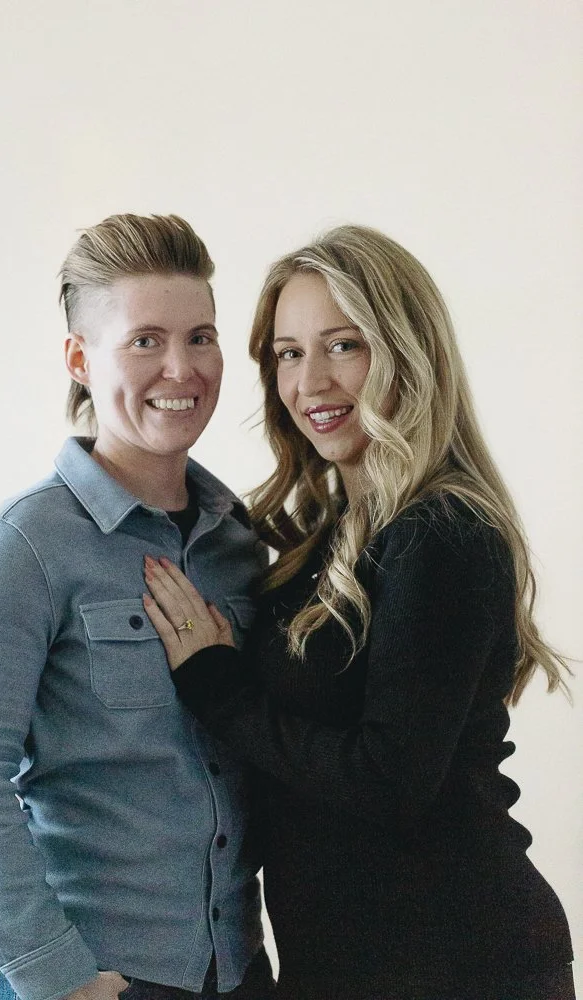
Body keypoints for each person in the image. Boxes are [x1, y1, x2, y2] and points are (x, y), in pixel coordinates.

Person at [141, 225, 576, 1000]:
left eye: (342, 346)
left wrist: (217, 686)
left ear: (407, 352)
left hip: (455, 964)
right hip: (349, 961)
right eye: (287, 353)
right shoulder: (331, 537)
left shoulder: (442, 533)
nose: (310, 383)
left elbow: (386, 782)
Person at [0, 214, 275, 1000]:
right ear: (80, 359)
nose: (181, 368)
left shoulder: (242, 546)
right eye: (145, 340)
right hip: (96, 978)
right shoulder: (17, 551)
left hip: (238, 972)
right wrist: (57, 977)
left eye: (200, 337)